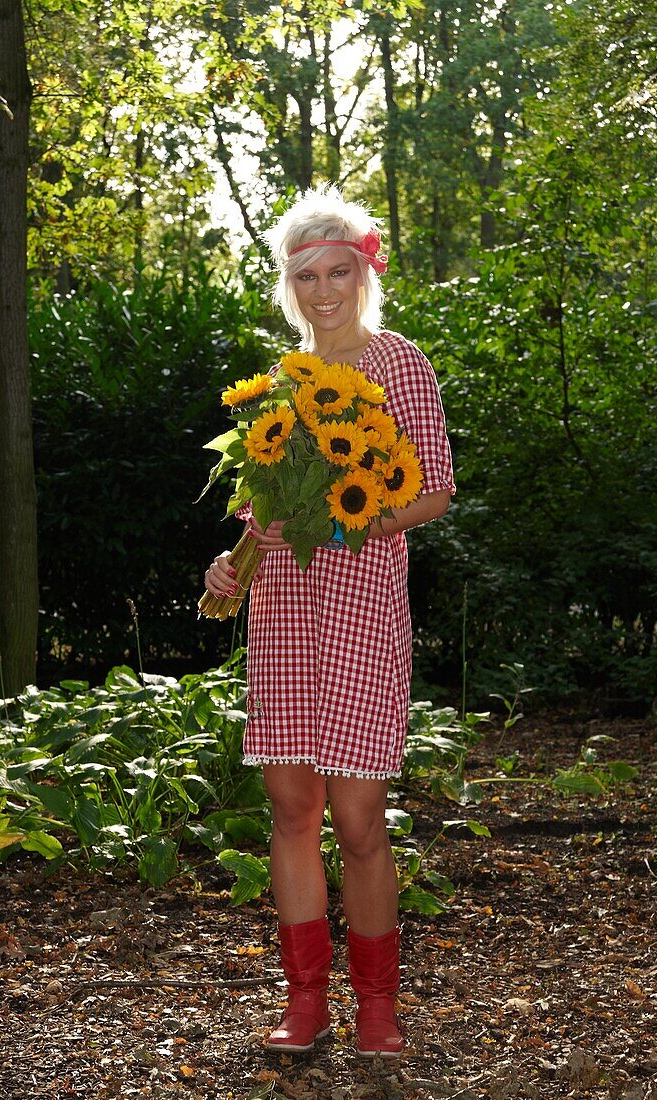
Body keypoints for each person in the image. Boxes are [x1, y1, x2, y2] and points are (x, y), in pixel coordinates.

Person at [203, 185, 455, 1058]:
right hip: (283, 614)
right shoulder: (279, 380)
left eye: (337, 272)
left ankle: (377, 1006)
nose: (322, 291)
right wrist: (236, 556)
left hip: (361, 610)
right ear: (289, 283)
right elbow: (264, 498)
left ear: (363, 273)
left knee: (357, 818)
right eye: (305, 276)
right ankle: (305, 1000)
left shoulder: (397, 363)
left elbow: (434, 490)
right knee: (289, 809)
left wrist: (352, 523)